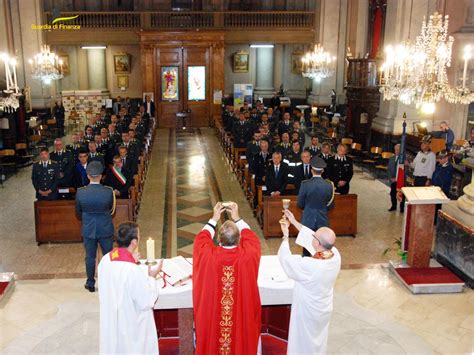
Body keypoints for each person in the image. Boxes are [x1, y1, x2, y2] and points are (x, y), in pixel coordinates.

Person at [193, 202, 261, 355]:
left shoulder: (208, 256)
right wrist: (236, 217)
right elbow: (251, 237)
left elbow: (201, 240)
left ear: (218, 238)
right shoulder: (248, 255)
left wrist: (213, 219)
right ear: (239, 239)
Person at [278, 211, 341, 354]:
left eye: (314, 236)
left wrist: (285, 236)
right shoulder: (335, 255)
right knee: (318, 340)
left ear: (317, 243)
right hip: (323, 308)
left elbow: (286, 260)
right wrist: (294, 221)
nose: (311, 236)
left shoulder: (310, 265)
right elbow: (312, 237)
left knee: (303, 341)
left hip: (307, 310)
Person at [98, 222, 162, 355]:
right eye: (139, 235)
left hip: (112, 321)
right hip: (130, 325)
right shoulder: (132, 270)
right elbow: (147, 301)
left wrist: (130, 258)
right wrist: (151, 277)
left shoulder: (105, 260)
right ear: (134, 242)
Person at [76, 161, 115, 292]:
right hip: (105, 227)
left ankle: (90, 283)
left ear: (88, 176)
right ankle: (109, 282)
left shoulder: (81, 192)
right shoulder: (108, 192)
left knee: (90, 257)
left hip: (88, 228)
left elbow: (78, 212)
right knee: (108, 256)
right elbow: (111, 210)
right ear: (101, 176)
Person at [297, 156, 335, 256]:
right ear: (322, 171)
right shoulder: (329, 185)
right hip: (322, 219)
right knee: (323, 249)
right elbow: (331, 205)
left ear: (311, 170)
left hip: (308, 219)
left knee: (307, 249)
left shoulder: (305, 184)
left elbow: (300, 204)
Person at [387, 144, 405, 212]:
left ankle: (402, 208)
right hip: (393, 180)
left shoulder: (403, 159)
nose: (396, 151)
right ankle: (393, 206)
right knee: (393, 193)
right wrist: (390, 178)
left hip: (401, 180)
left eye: (398, 149)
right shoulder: (391, 158)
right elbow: (388, 169)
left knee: (401, 194)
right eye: (395, 149)